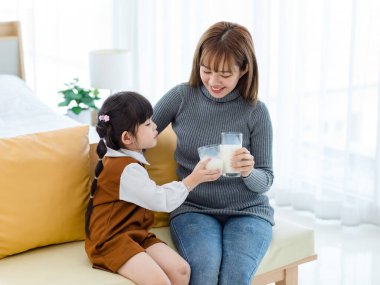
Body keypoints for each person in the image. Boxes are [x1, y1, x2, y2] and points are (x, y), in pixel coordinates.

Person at [152, 21, 274, 285]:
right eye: (206, 70)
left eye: (225, 74)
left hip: (248, 211)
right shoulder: (181, 96)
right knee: (203, 273)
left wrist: (248, 171)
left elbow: (266, 180)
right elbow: (144, 131)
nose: (213, 82)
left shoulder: (256, 112)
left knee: (235, 277)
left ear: (244, 70)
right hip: (193, 207)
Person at [84, 91, 221, 285]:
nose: (155, 125)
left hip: (135, 233)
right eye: (148, 123)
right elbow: (161, 200)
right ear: (127, 138)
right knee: (160, 282)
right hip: (111, 241)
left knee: (181, 270)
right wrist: (192, 180)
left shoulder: (128, 159)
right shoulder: (126, 169)